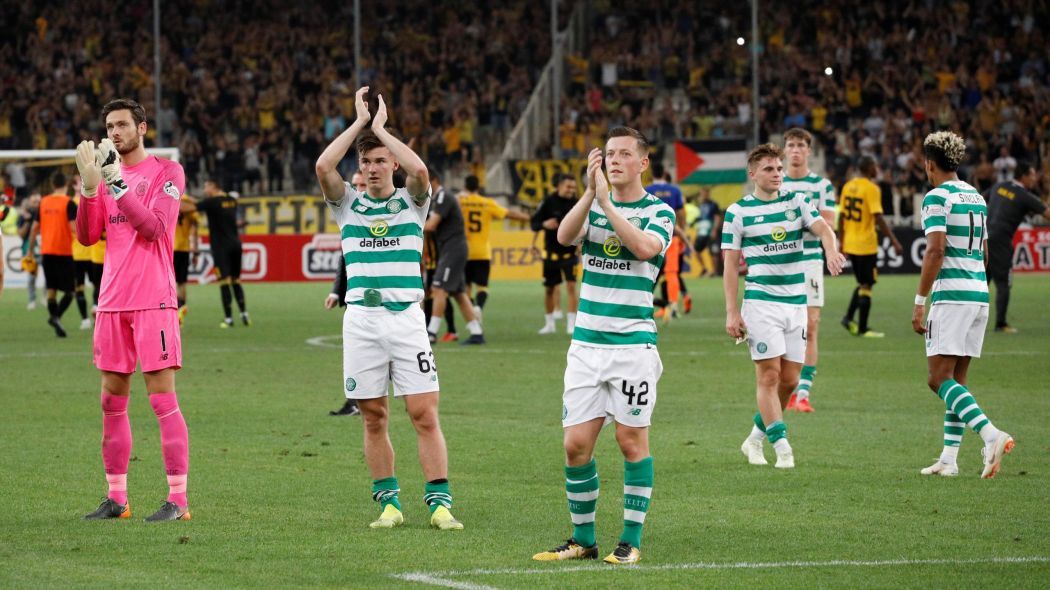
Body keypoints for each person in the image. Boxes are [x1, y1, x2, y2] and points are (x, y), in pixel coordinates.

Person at [315, 86, 464, 530]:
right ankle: (389, 505)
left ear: (393, 164)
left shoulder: (413, 202)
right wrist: (360, 126)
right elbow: (324, 165)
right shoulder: (347, 205)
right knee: (374, 416)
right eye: (366, 162)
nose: (373, 168)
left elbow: (420, 168)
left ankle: (439, 503)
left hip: (405, 320)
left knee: (423, 413)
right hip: (361, 320)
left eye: (381, 160)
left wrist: (380, 128)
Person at [532, 127, 673, 565]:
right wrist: (592, 196)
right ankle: (583, 539)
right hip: (586, 347)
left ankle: (630, 540)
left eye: (625, 154)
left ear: (642, 163)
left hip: (632, 347)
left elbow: (645, 248)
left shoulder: (658, 211)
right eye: (609, 153)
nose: (615, 160)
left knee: (631, 441)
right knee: (576, 444)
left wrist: (608, 204)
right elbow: (563, 237)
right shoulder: (593, 205)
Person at [74, 97, 191, 521]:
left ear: (143, 128)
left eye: (122, 124)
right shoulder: (104, 176)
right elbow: (87, 237)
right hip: (111, 303)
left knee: (162, 401)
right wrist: (89, 190)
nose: (114, 132)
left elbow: (155, 227)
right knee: (111, 403)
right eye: (109, 126)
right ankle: (116, 498)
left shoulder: (167, 171)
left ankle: (178, 500)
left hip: (153, 301)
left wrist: (117, 185)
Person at [723, 143, 844, 470]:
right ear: (753, 174)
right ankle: (783, 446)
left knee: (791, 379)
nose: (777, 174)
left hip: (796, 304)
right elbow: (731, 265)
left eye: (778, 169)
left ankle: (754, 439)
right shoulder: (738, 212)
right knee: (769, 376)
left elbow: (823, 229)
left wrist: (831, 250)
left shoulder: (798, 202)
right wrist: (732, 311)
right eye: (769, 169)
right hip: (761, 305)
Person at [912, 131, 1014, 479]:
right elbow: (984, 252)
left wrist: (919, 301)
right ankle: (949, 459)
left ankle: (991, 435)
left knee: (937, 379)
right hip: (977, 294)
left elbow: (936, 250)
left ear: (929, 163)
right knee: (958, 379)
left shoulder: (936, 198)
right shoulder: (976, 196)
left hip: (952, 296)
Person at [781, 128, 836, 413]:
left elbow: (828, 224)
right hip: (780, 263)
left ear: (809, 151)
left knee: (811, 325)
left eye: (801, 145)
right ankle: (787, 386)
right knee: (786, 326)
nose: (796, 150)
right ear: (784, 150)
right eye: (791, 145)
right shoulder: (777, 184)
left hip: (811, 262)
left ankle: (802, 393)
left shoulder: (821, 185)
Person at [838, 156, 903, 338]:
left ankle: (848, 318)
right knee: (867, 284)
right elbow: (879, 218)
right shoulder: (872, 188)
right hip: (866, 244)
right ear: (869, 168)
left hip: (851, 243)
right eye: (875, 166)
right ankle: (863, 328)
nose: (878, 170)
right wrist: (895, 241)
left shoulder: (847, 186)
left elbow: (841, 216)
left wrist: (841, 242)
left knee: (862, 283)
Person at [985, 160, 1049, 332]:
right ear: (1024, 176)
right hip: (1001, 241)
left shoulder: (999, 186)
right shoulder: (1024, 196)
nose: (1035, 179)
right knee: (1004, 283)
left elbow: (979, 201)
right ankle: (1001, 324)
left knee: (982, 282)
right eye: (1033, 175)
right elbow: (1047, 213)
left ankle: (967, 322)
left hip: (983, 238)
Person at [424, 168, 484, 345]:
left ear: (433, 180)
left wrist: (406, 227)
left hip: (453, 248)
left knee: (439, 288)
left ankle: (431, 332)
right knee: (458, 292)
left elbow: (432, 225)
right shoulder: (437, 198)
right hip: (451, 248)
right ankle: (476, 332)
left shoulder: (443, 196)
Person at [458, 174, 530, 320]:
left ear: (465, 187)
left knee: (465, 288)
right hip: (482, 252)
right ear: (478, 187)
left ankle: (471, 313)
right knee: (482, 286)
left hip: (463, 251)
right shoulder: (486, 203)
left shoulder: (459, 202)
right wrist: (529, 218)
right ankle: (478, 308)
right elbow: (508, 214)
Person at [325, 171, 366, 418]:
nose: (359, 188)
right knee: (359, 352)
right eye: (356, 184)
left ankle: (359, 401)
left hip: (389, 300)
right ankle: (355, 402)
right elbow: (345, 257)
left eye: (362, 183)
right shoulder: (350, 213)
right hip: (357, 298)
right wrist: (336, 292)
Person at [190, 180, 248, 327]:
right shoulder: (231, 200)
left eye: (206, 186)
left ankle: (228, 319)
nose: (204, 189)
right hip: (236, 245)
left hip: (221, 247)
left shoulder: (212, 202)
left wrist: (178, 198)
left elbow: (192, 207)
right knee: (236, 280)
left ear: (213, 187)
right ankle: (244, 314)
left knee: (223, 282)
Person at [28, 172, 79, 337]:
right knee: (71, 291)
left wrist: (29, 251)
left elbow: (34, 229)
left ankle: (55, 318)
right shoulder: (69, 203)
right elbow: (73, 228)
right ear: (66, 185)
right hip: (63, 252)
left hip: (47, 252)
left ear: (52, 185)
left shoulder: (43, 203)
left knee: (51, 290)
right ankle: (56, 317)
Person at [531, 173, 579, 334]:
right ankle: (549, 324)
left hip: (570, 255)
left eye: (573, 187)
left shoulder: (577, 203)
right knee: (549, 289)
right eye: (568, 186)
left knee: (571, 286)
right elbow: (534, 223)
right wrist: (544, 224)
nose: (571, 190)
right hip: (550, 254)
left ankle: (571, 324)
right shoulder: (548, 202)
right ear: (559, 186)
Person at [646, 163, 692, 317]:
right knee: (672, 272)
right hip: (671, 236)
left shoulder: (647, 191)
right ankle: (672, 305)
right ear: (665, 173)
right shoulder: (674, 190)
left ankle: (648, 302)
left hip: (651, 237)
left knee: (650, 271)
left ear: (652, 174)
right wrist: (683, 229)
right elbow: (680, 212)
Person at [70, 176, 96, 330]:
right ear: (73, 186)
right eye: (79, 182)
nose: (82, 183)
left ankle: (95, 307)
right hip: (78, 253)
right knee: (79, 286)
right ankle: (85, 319)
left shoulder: (94, 199)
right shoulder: (71, 204)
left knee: (97, 285)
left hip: (94, 252)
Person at [174, 194, 199, 325]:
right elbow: (195, 230)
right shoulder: (190, 204)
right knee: (182, 282)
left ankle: (177, 309)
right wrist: (196, 251)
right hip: (185, 247)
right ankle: (182, 306)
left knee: (171, 281)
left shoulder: (171, 196)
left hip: (171, 247)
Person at [17, 193, 41, 310]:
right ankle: (32, 300)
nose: (37, 205)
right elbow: (21, 235)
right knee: (31, 276)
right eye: (34, 202)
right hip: (29, 249)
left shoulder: (44, 213)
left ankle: (47, 297)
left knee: (49, 274)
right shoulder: (24, 216)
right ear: (29, 203)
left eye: (38, 202)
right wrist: (27, 221)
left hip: (45, 247)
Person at [692, 188, 722, 277]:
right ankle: (704, 269)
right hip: (702, 233)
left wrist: (714, 230)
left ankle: (715, 272)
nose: (703, 195)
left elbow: (717, 218)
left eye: (704, 193)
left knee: (713, 252)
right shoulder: (699, 205)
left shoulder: (713, 205)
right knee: (696, 250)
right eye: (701, 194)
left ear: (708, 194)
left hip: (710, 231)